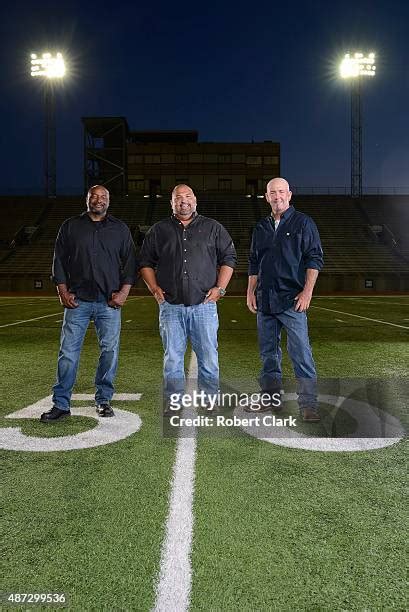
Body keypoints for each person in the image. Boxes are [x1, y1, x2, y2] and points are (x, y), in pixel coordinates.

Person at [40, 185, 137, 422]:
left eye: (103, 196)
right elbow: (59, 260)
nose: (98, 200)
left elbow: (130, 263)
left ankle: (103, 400)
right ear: (87, 200)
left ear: (109, 200)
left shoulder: (120, 229)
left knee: (109, 352)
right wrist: (62, 290)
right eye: (94, 196)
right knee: (68, 354)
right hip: (78, 301)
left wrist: (124, 292)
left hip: (109, 303)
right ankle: (61, 404)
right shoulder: (71, 226)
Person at [139, 184, 237, 412]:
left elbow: (229, 257)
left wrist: (220, 288)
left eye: (188, 196)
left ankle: (209, 399)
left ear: (195, 200)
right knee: (172, 359)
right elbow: (145, 262)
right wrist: (154, 288)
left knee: (209, 358)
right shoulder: (159, 230)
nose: (183, 200)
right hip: (171, 306)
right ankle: (174, 401)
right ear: (171, 203)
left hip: (204, 305)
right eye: (178, 197)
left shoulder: (213, 227)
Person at [247, 177, 323, 422]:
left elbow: (314, 258)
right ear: (266, 197)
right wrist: (250, 291)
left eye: (281, 192)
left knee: (300, 352)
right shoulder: (261, 227)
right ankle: (271, 400)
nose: (277, 196)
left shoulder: (304, 223)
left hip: (292, 300)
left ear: (289, 195)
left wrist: (307, 291)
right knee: (268, 353)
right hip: (265, 300)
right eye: (272, 193)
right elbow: (254, 262)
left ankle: (308, 405)